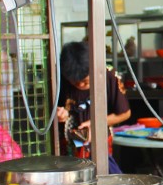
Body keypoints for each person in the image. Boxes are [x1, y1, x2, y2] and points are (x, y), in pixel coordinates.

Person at [56, 41, 131, 174]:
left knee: (101, 177)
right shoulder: (59, 76)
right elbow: (55, 109)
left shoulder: (109, 76)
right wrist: (59, 114)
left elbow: (124, 113)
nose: (80, 84)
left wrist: (96, 124)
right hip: (67, 148)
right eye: (74, 81)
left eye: (85, 81)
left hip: (99, 144)